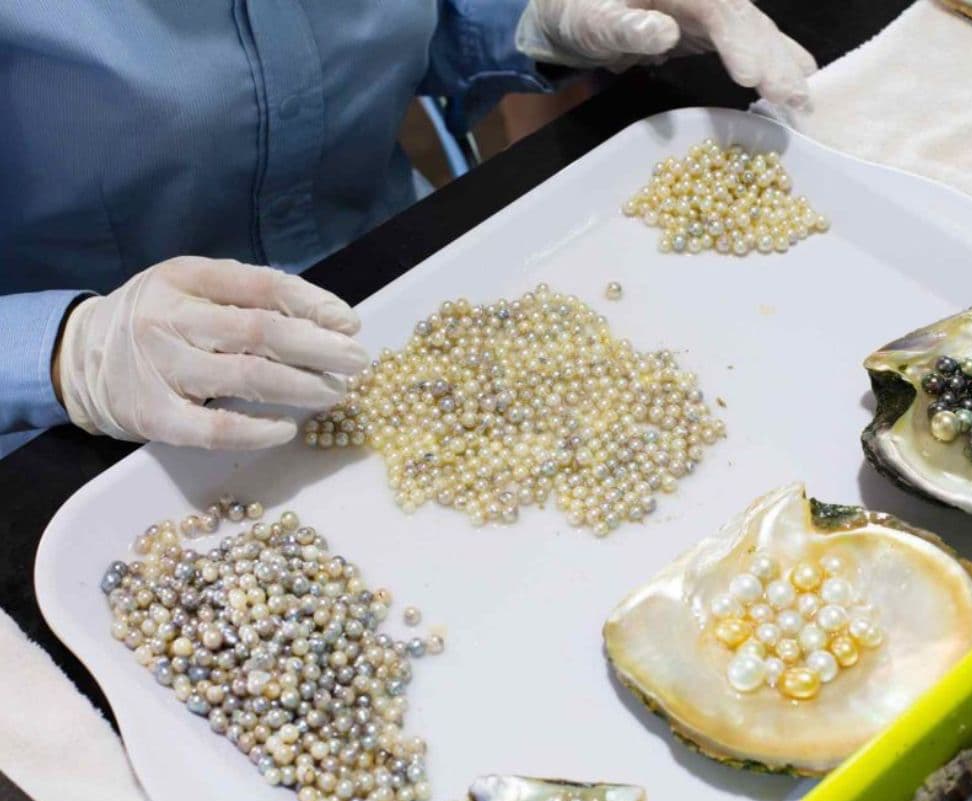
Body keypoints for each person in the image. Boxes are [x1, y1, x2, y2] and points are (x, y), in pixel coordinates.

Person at [0, 0, 816, 458]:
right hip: (92, 418)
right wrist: (63, 351)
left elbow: (414, 24)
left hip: (401, 290)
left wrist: (539, 17)